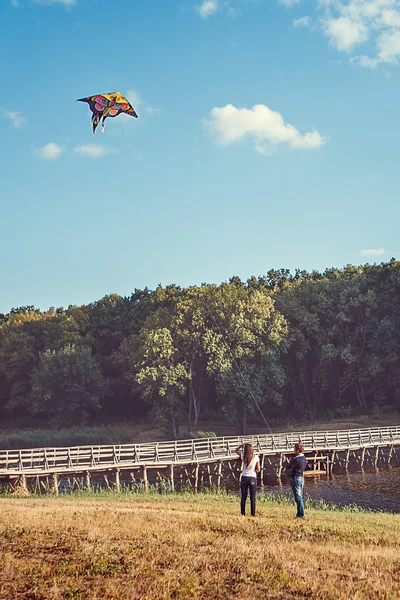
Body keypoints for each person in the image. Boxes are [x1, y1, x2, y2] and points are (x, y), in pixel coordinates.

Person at [235, 443, 260, 517]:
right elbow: (258, 469)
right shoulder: (256, 458)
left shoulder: (243, 456)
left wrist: (241, 445)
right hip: (252, 477)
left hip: (244, 477)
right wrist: (255, 470)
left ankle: (243, 513)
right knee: (252, 497)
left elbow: (236, 450)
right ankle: (253, 514)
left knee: (244, 497)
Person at [285, 443, 308, 519]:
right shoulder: (304, 459)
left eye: (294, 449)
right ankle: (299, 513)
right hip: (301, 478)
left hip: (296, 478)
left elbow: (289, 467)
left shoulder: (297, 459)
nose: (294, 451)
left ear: (298, 450)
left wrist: (285, 461)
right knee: (299, 496)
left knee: (298, 497)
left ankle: (301, 514)